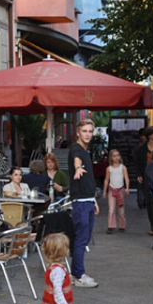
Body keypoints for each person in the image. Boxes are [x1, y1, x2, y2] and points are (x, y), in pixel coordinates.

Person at [68, 119, 100, 288]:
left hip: (86, 200)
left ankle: (76, 273)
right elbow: (76, 159)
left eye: (90, 131)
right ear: (78, 133)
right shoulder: (76, 148)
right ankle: (79, 275)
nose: (88, 134)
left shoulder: (86, 150)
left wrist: (93, 199)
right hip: (80, 202)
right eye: (85, 131)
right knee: (81, 240)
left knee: (84, 239)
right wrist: (78, 168)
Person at [33, 233, 78, 304]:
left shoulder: (53, 267)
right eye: (66, 247)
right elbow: (58, 291)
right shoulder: (58, 270)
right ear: (61, 251)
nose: (68, 249)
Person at [135, 126, 153, 235]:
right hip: (146, 176)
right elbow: (139, 162)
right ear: (150, 135)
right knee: (149, 201)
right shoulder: (142, 148)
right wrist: (139, 174)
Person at [102, 149, 130, 234]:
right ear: (111, 158)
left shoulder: (123, 167)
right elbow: (106, 180)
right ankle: (110, 226)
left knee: (121, 209)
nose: (116, 157)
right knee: (111, 209)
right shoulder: (109, 169)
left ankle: (122, 225)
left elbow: (126, 178)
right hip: (111, 190)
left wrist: (127, 188)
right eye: (114, 156)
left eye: (118, 155)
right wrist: (104, 191)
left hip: (120, 190)